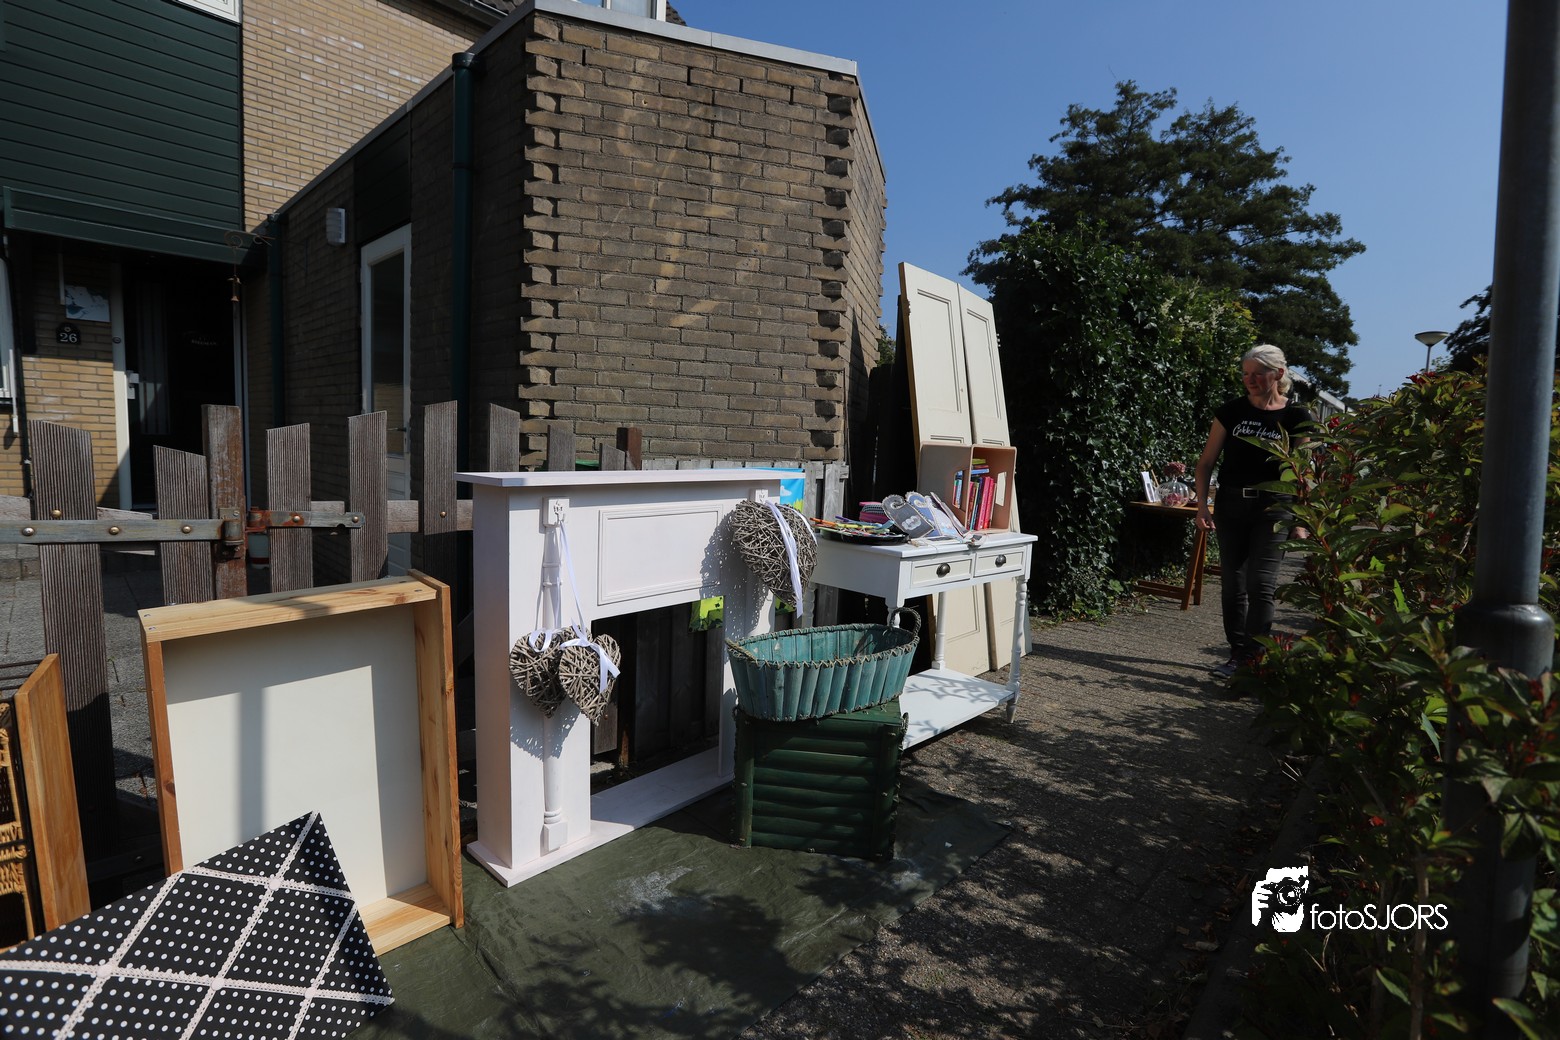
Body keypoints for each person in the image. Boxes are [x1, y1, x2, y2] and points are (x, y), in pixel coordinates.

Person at [1193, 344, 1313, 679]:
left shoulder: (1297, 417)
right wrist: (1202, 506)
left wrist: (1302, 520)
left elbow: (1303, 473)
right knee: (1233, 584)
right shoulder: (1231, 412)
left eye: (1258, 374)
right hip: (1231, 505)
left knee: (1261, 583)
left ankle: (1252, 659)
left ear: (1278, 374)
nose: (1250, 380)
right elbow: (1205, 463)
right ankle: (1237, 654)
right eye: (1246, 374)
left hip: (1274, 508)